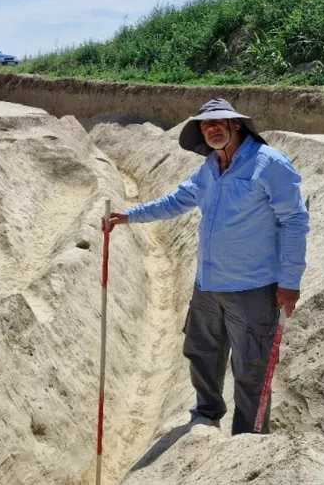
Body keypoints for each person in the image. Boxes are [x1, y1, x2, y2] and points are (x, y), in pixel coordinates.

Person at [106, 98, 310, 435]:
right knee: (201, 351)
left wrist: (290, 281)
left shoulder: (269, 163)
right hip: (208, 285)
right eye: (205, 125)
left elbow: (294, 221)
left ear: (236, 125)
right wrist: (130, 215)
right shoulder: (210, 168)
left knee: (251, 367)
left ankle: (248, 438)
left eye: (218, 122)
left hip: (252, 288)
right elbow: (177, 201)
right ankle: (207, 413)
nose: (212, 128)